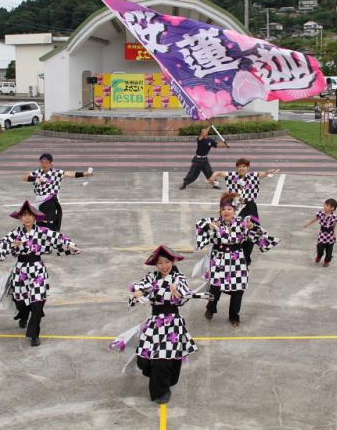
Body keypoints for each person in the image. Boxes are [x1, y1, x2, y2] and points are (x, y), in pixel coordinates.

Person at [120, 245, 211, 404]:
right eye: (160, 263)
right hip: (154, 322)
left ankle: (161, 391)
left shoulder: (179, 278)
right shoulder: (151, 276)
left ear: (173, 262)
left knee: (164, 358)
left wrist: (177, 291)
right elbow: (140, 287)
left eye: (167, 262)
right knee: (143, 360)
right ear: (156, 264)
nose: (164, 266)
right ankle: (161, 376)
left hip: (172, 323)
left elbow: (184, 294)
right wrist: (139, 292)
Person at [0, 200, 80, 346]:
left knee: (37, 302)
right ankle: (23, 315)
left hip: (37, 271)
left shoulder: (42, 232)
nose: (27, 218)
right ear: (20, 217)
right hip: (20, 272)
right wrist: (12, 245)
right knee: (21, 302)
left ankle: (34, 334)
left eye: (29, 215)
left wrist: (71, 245)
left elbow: (58, 238)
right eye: (24, 215)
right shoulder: (15, 233)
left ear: (35, 217)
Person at [196, 192, 279, 326]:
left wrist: (253, 227)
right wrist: (209, 227)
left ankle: (234, 315)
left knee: (238, 289)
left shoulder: (242, 223)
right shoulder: (215, 222)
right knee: (215, 286)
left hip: (237, 259)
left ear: (234, 210)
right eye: (223, 209)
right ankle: (211, 308)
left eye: (229, 209)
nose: (226, 211)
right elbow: (200, 225)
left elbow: (257, 235)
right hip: (219, 259)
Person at [208, 158, 279, 263]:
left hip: (250, 207)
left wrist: (268, 172)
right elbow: (219, 173)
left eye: (244, 166)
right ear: (237, 168)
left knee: (251, 230)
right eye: (239, 167)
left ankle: (246, 256)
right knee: (235, 230)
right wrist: (213, 176)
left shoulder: (253, 175)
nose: (241, 168)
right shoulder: (232, 175)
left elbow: (264, 174)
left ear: (248, 168)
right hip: (236, 207)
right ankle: (234, 255)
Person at [24, 153, 93, 232]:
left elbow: (70, 174)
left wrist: (84, 174)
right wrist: (35, 179)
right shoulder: (37, 173)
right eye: (42, 162)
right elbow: (25, 177)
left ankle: (51, 234)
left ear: (51, 163)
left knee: (48, 223)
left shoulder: (57, 172)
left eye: (46, 162)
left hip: (50, 201)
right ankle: (47, 235)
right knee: (40, 224)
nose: (44, 165)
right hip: (39, 201)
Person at [304, 198, 337, 266]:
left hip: (330, 236)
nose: (325, 207)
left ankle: (327, 261)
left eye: (327, 205)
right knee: (320, 248)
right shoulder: (321, 214)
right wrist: (308, 224)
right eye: (325, 205)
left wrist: (334, 233)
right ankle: (319, 256)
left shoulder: (335, 217)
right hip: (322, 235)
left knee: (329, 251)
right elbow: (315, 219)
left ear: (332, 208)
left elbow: (335, 225)